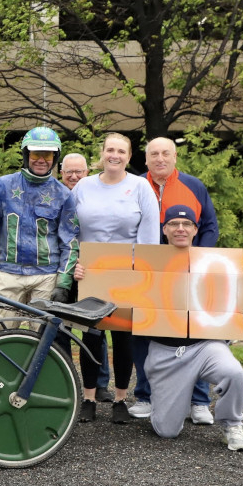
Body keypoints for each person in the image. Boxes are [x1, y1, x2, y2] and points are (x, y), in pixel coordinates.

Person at [140, 204, 243, 451]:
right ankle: (176, 401)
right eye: (174, 224)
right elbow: (114, 286)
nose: (180, 228)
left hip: (205, 346)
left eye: (187, 224)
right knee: (166, 431)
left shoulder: (217, 263)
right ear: (164, 229)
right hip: (165, 352)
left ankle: (232, 424)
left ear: (195, 230)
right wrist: (84, 273)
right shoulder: (146, 263)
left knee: (234, 373)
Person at [129, 137, 219, 424]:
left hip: (190, 272)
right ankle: (145, 395)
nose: (160, 159)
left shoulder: (194, 186)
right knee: (144, 329)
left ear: (175, 156)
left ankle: (199, 401)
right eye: (154, 154)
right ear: (146, 159)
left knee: (196, 330)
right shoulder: (135, 185)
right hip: (149, 273)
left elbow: (209, 226)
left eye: (165, 153)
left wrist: (199, 261)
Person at [72, 132, 160, 423]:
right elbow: (69, 230)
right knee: (92, 335)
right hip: (90, 272)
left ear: (129, 156)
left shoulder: (141, 187)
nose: (115, 155)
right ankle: (89, 397)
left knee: (122, 338)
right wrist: (73, 264)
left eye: (121, 151)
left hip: (127, 273)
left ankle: (121, 398)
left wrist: (142, 272)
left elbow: (149, 237)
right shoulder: (83, 186)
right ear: (102, 153)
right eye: (110, 149)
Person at [0, 127, 79, 317]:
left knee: (40, 339)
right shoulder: (4, 185)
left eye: (47, 154)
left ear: (55, 158)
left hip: (46, 277)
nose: (41, 160)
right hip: (9, 274)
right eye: (36, 153)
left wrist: (64, 284)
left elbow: (70, 242)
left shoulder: (63, 194)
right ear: (26, 154)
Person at [59, 152, 112, 403]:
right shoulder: (55, 196)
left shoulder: (94, 196)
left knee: (94, 329)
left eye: (79, 171)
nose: (74, 176)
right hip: (62, 269)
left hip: (91, 268)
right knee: (60, 327)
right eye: (69, 171)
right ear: (61, 173)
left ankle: (99, 384)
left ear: (87, 173)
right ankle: (64, 381)